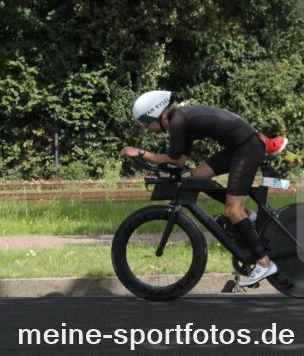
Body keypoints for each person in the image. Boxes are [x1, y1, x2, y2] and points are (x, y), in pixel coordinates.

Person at [119, 90, 287, 287]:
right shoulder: (180, 120)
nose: (147, 128)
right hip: (238, 147)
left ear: (156, 113)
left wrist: (140, 152)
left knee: (233, 209)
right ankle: (247, 217)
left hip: (247, 147)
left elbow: (172, 158)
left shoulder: (178, 120)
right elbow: (180, 161)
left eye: (145, 123)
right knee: (197, 177)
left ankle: (264, 262)